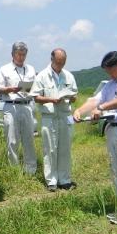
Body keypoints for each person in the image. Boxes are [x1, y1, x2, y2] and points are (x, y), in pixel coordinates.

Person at [73, 51, 117, 224]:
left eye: (110, 70)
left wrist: (102, 108)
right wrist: (80, 110)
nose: (109, 74)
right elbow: (95, 100)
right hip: (113, 128)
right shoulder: (111, 84)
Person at [31, 48, 78, 191]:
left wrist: (69, 97)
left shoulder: (68, 75)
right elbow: (36, 97)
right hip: (49, 116)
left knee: (64, 149)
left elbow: (75, 95)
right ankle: (51, 180)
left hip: (64, 115)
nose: (60, 65)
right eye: (58, 62)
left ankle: (64, 179)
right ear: (52, 59)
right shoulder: (42, 76)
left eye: (63, 62)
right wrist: (51, 99)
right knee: (50, 149)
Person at [0, 41, 37, 175]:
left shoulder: (30, 69)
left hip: (27, 105)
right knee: (12, 140)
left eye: (24, 54)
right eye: (19, 54)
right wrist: (8, 89)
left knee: (29, 139)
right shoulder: (4, 69)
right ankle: (14, 170)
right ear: (13, 54)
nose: (21, 57)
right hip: (11, 105)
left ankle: (30, 170)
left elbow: (35, 87)